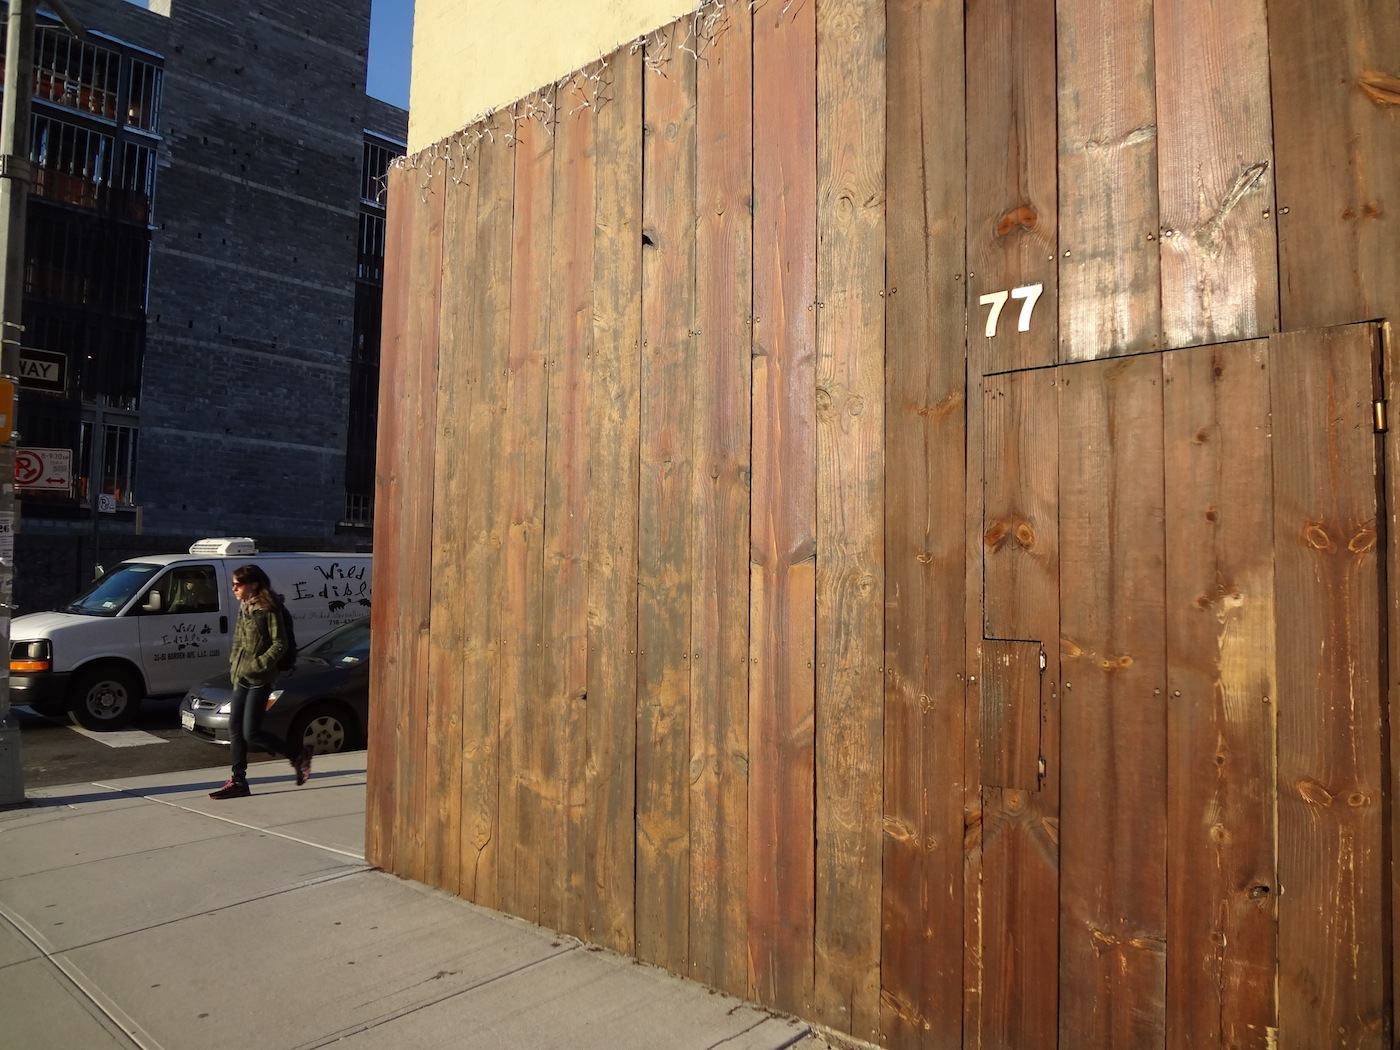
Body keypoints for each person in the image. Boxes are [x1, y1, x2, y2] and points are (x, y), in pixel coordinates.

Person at [209, 564, 311, 799]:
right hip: (242, 677)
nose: (233, 588)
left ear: (253, 584)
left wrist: (257, 665)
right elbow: (238, 639)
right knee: (234, 729)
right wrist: (235, 663)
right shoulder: (245, 605)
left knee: (251, 733)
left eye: (238, 584)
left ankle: (297, 755)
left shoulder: (268, 608)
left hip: (260, 679)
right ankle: (238, 781)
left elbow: (280, 643)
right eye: (233, 584)